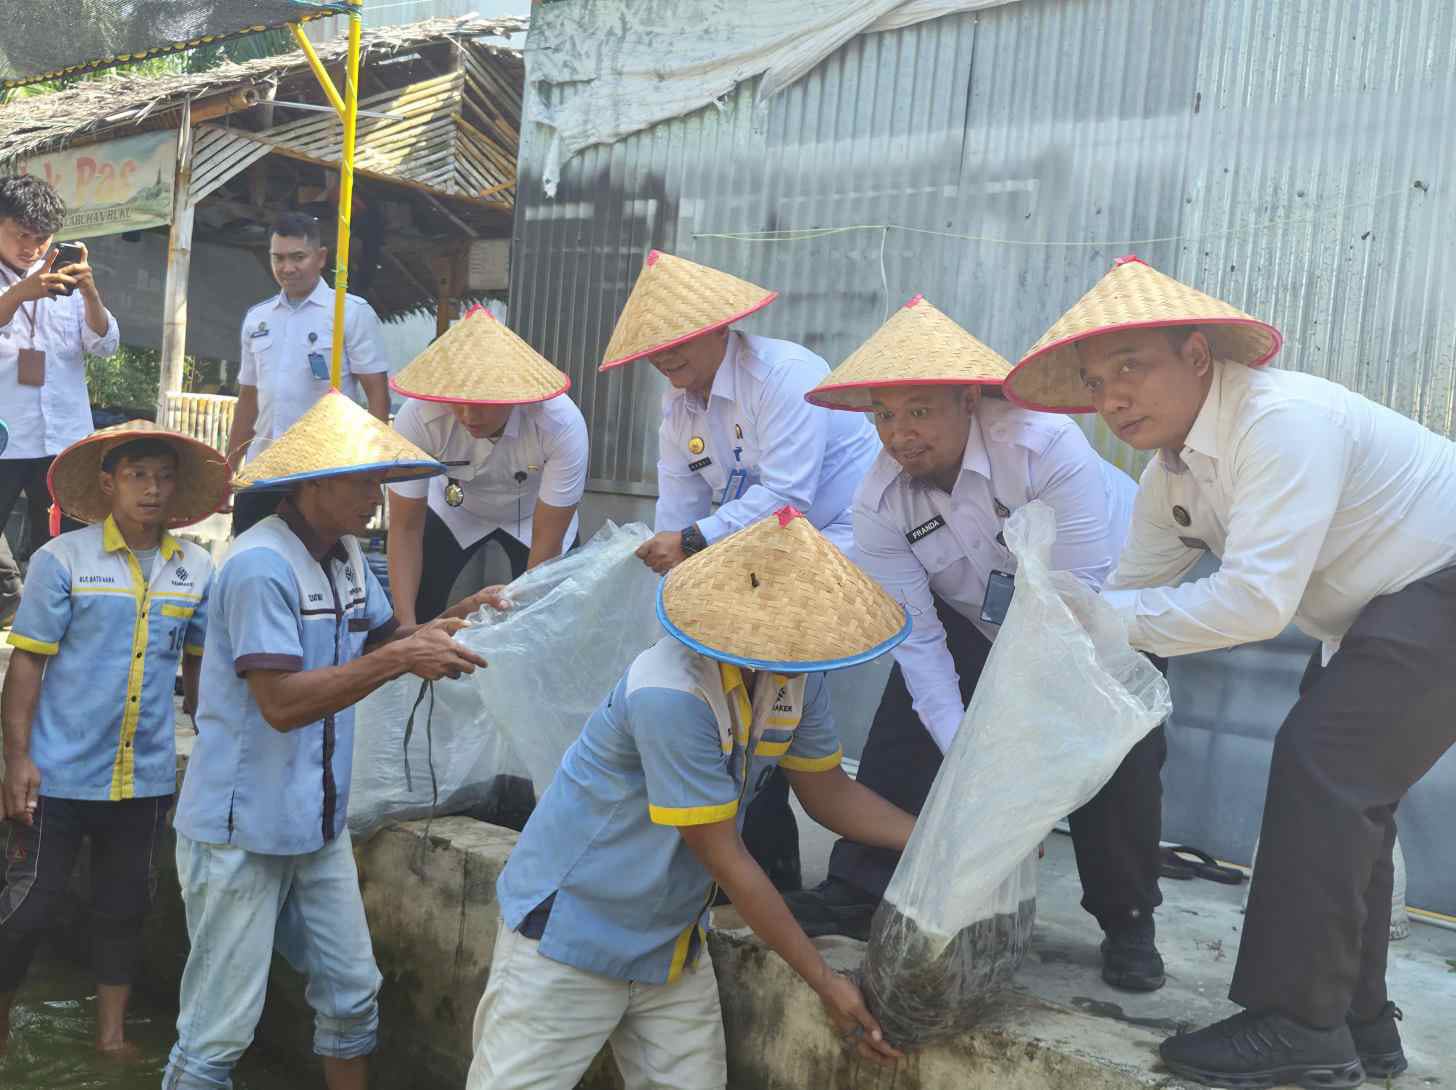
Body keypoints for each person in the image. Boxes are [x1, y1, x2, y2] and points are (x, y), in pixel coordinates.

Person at [1004, 254, 1456, 1089]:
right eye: (1098, 382)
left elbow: (1253, 604)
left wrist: (1102, 618)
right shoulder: (1170, 476)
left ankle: (1299, 1028)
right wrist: (1047, 665)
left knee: (1322, 772)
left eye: (1132, 368)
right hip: (1386, 611)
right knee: (1349, 798)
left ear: (1199, 357)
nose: (1113, 400)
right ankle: (1356, 1026)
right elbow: (1126, 600)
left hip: (1442, 581)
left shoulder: (1278, 423)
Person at [784, 295, 1167, 993]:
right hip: (970, 612)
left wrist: (1018, 756)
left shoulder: (1044, 448)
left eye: (920, 411)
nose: (901, 436)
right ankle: (861, 883)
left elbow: (1073, 603)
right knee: (909, 723)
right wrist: (968, 749)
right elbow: (920, 641)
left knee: (1119, 757)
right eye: (885, 416)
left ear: (969, 400)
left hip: (1097, 610)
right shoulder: (878, 502)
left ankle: (1128, 919)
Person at [464, 506, 917, 1089]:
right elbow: (726, 857)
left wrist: (936, 839)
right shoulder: (671, 692)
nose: (794, 636)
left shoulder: (797, 674)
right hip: (571, 930)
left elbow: (828, 793)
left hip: (672, 941)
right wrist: (826, 983)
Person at [161, 391, 508, 1090]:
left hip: (316, 826)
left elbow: (387, 640)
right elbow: (282, 705)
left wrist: (455, 619)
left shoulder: (346, 554)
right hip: (241, 831)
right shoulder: (259, 567)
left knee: (353, 995)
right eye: (363, 481)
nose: (376, 498)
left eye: (380, 481)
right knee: (217, 1030)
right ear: (313, 483)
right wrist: (402, 660)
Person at [600, 249, 882, 892]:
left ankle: (769, 854)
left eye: (679, 342)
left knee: (776, 685)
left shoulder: (784, 374)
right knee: (730, 684)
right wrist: (675, 569)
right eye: (653, 349)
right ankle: (756, 850)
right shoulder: (678, 410)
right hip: (756, 554)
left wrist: (692, 542)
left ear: (720, 326)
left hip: (840, 541)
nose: (666, 358)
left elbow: (789, 498)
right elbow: (678, 508)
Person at [0, 422, 227, 1058]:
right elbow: (26, 665)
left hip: (145, 776)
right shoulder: (62, 560)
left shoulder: (198, 569)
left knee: (126, 908)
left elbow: (200, 672)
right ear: (108, 484)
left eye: (162, 476)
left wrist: (218, 748)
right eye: (137, 476)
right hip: (57, 770)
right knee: (29, 907)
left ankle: (111, 1036)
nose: (152, 489)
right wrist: (15, 761)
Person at [387, 306, 588, 624]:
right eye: (458, 400)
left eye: (483, 403)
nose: (468, 415)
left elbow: (548, 539)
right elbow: (404, 526)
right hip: (453, 509)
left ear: (514, 393)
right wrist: (406, 633)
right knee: (419, 611)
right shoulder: (417, 416)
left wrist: (526, 627)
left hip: (532, 516)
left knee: (546, 619)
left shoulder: (560, 423)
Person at [225, 212, 391, 536]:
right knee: (249, 558)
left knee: (320, 566)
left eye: (297, 257)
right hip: (264, 469)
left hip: (325, 471)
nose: (287, 268)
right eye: (279, 258)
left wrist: (371, 471)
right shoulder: (257, 319)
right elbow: (248, 399)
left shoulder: (350, 312)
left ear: (320, 257)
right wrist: (229, 468)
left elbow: (377, 396)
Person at [0, 174, 121, 561]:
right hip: (4, 438)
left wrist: (90, 293)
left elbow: (105, 345)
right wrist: (20, 293)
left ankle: (47, 618)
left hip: (62, 441)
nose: (32, 249)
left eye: (42, 238)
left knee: (62, 551)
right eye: (21, 235)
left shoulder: (66, 280)